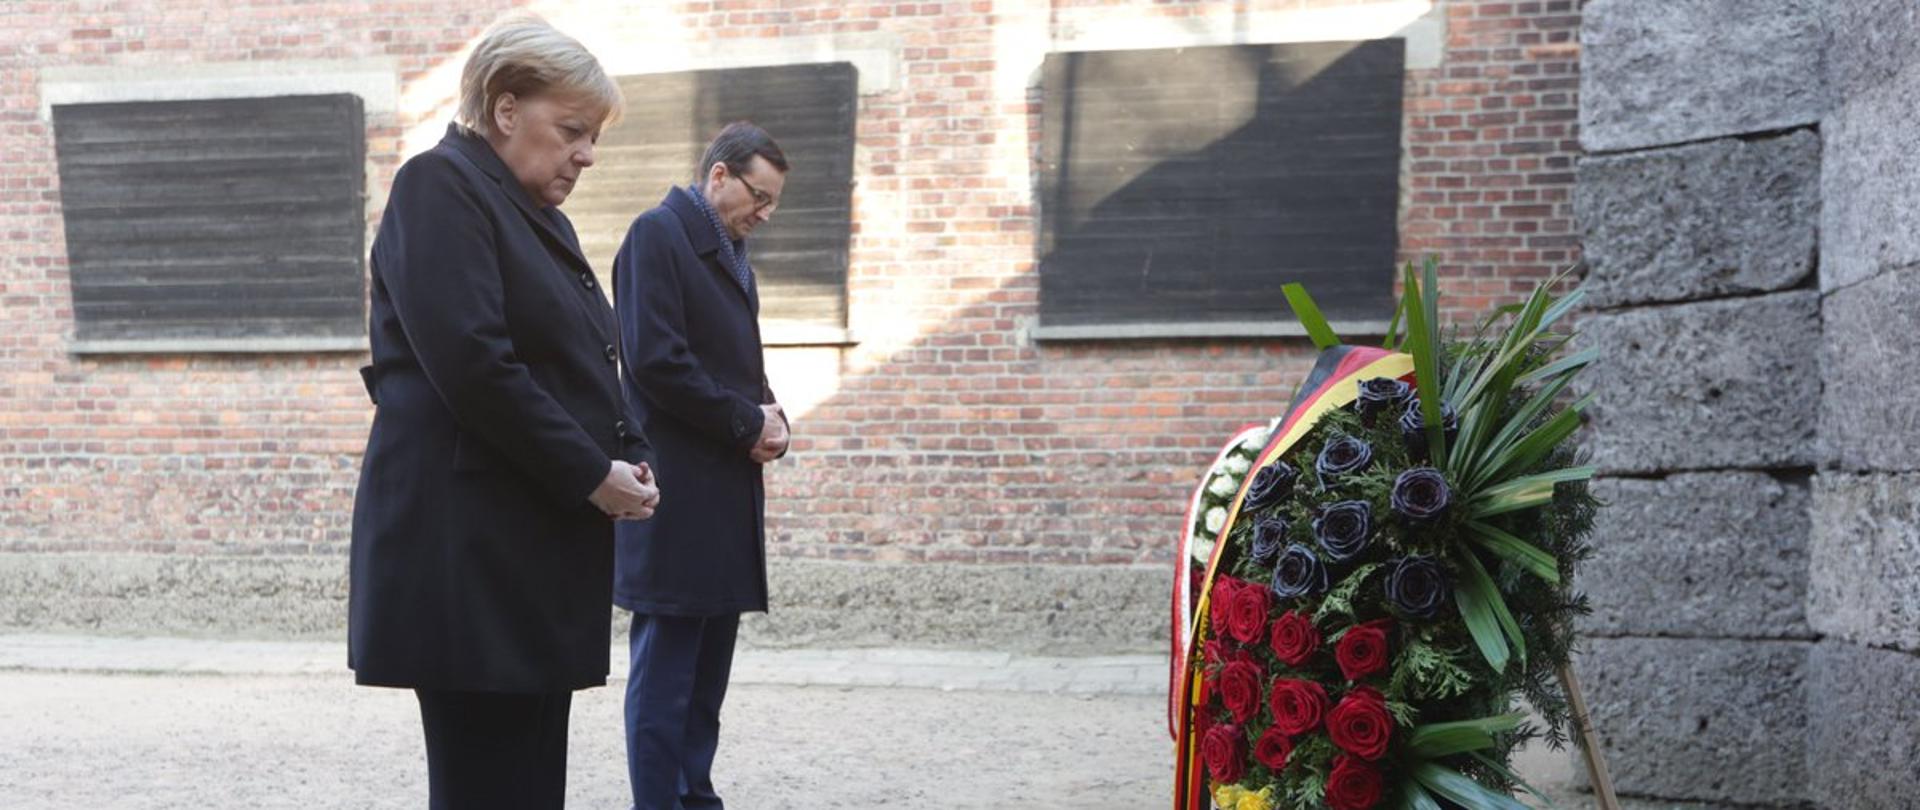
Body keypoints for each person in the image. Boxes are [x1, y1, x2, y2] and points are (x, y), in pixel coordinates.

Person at [347, 13, 657, 810]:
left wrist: (626, 445)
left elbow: (578, 357)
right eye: (573, 130)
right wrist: (592, 471)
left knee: (523, 785)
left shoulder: (529, 213)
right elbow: (475, 365)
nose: (587, 154)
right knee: (488, 787)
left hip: (517, 550)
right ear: (506, 108)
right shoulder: (439, 185)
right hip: (470, 557)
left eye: (593, 137)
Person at [612, 121, 791, 810]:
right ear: (718, 176)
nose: (765, 213)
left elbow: (737, 369)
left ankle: (696, 797)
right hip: (679, 499)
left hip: (722, 500)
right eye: (759, 195)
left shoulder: (729, 254)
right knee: (665, 678)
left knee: (705, 681)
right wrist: (747, 422)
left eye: (773, 202)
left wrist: (774, 419)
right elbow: (655, 361)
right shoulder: (657, 236)